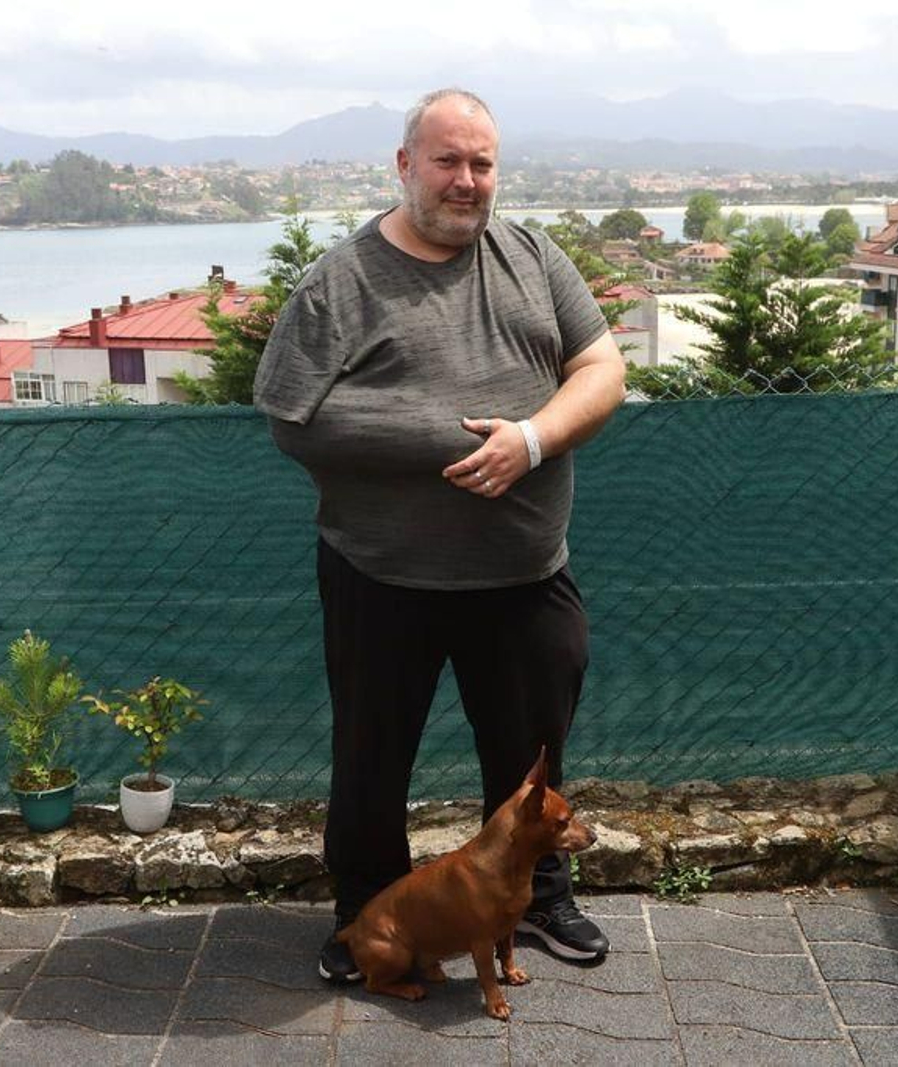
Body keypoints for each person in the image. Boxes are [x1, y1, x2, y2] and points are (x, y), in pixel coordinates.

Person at [253, 87, 625, 982]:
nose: (467, 181)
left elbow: (603, 367)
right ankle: (366, 915)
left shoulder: (535, 258)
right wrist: (441, 437)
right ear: (404, 165)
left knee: (532, 759)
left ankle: (538, 898)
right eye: (448, 161)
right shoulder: (340, 281)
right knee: (372, 761)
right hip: (382, 577)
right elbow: (289, 417)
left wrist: (529, 440)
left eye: (482, 163)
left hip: (526, 573)